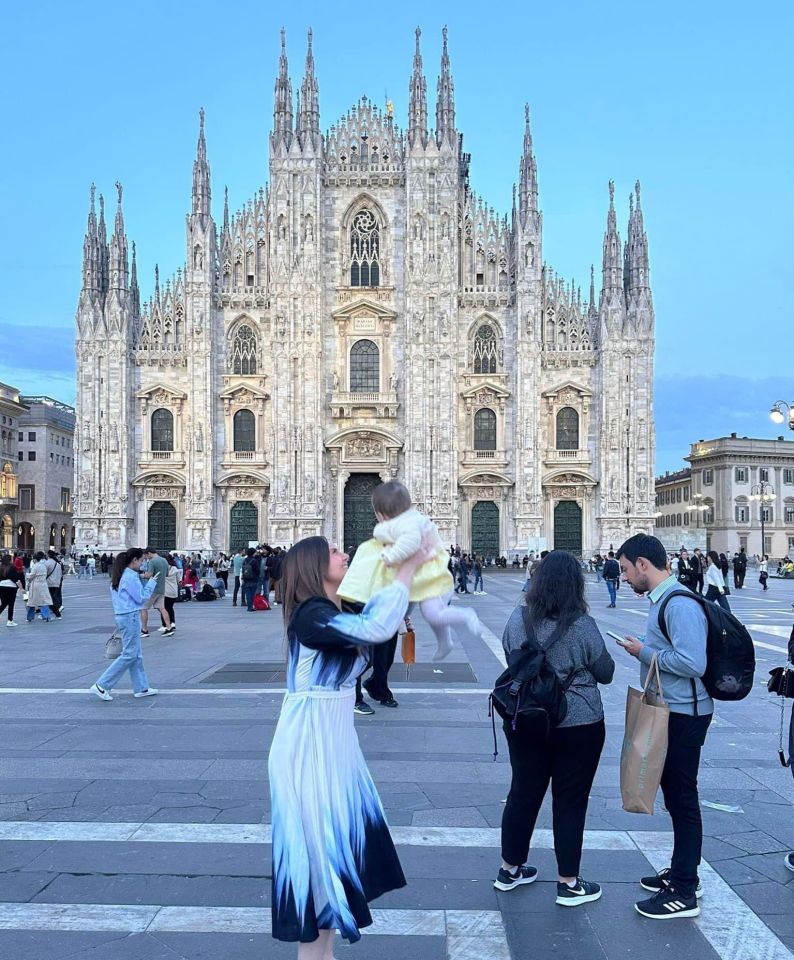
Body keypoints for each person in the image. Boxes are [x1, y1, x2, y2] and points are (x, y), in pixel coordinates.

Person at [269, 534, 433, 956]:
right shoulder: (311, 616)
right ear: (314, 567)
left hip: (334, 744)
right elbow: (374, 628)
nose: (345, 555)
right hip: (309, 746)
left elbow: (376, 629)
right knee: (317, 876)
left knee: (331, 882)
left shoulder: (330, 611)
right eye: (336, 552)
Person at [495, 550, 614, 906]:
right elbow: (606, 672)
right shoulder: (582, 625)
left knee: (522, 793)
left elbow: (511, 658)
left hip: (526, 718)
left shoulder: (518, 620)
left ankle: (509, 869)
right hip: (578, 722)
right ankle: (568, 882)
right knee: (570, 800)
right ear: (576, 586)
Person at [616, 534, 711, 919]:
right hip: (676, 708)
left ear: (643, 564)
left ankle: (685, 890)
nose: (623, 577)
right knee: (675, 796)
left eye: (624, 569)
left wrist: (645, 652)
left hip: (686, 713)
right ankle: (683, 870)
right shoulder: (664, 601)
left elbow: (693, 663)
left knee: (683, 798)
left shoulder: (678, 603)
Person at [337, 481, 480, 662]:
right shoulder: (411, 520)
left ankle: (466, 616)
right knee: (405, 607)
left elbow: (409, 543)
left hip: (432, 579)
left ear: (382, 515)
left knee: (432, 613)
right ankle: (441, 641)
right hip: (418, 579)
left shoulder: (409, 525)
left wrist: (390, 556)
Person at [91, 548, 159, 701]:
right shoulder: (130, 576)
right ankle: (102, 684)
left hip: (123, 615)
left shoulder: (119, 575)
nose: (143, 563)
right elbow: (141, 598)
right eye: (141, 560)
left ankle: (141, 687)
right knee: (129, 654)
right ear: (134, 560)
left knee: (136, 654)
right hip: (130, 616)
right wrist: (152, 583)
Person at [140, 548, 174, 637]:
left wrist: (140, 575)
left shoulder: (152, 561)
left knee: (143, 608)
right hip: (161, 588)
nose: (146, 558)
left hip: (152, 589)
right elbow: (166, 574)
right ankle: (169, 628)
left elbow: (149, 575)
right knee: (162, 608)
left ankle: (144, 630)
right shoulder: (164, 560)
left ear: (149, 553)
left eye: (146, 556)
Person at [26, 552, 53, 623]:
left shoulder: (35, 566)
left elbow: (31, 576)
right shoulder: (43, 566)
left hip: (36, 585)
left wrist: (27, 576)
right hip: (43, 584)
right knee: (43, 601)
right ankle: (46, 616)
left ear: (35, 559)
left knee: (32, 602)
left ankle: (30, 617)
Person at [0, 554, 23, 626]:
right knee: (11, 604)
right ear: (10, 560)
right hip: (11, 587)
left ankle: (10, 620)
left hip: (1, 586)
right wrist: (22, 588)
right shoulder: (12, 567)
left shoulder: (0, 567)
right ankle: (10, 620)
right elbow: (16, 579)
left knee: (4, 603)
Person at [45, 550, 65, 619]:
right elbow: (60, 575)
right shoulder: (58, 564)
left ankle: (56, 612)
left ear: (48, 555)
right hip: (56, 583)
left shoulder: (47, 563)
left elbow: (45, 573)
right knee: (54, 597)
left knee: (49, 599)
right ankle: (57, 610)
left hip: (49, 583)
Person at [163, 553, 180, 628]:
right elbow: (179, 580)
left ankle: (165, 624)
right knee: (170, 607)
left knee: (164, 608)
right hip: (173, 591)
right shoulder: (175, 569)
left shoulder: (162, 569)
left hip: (165, 591)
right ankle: (172, 622)